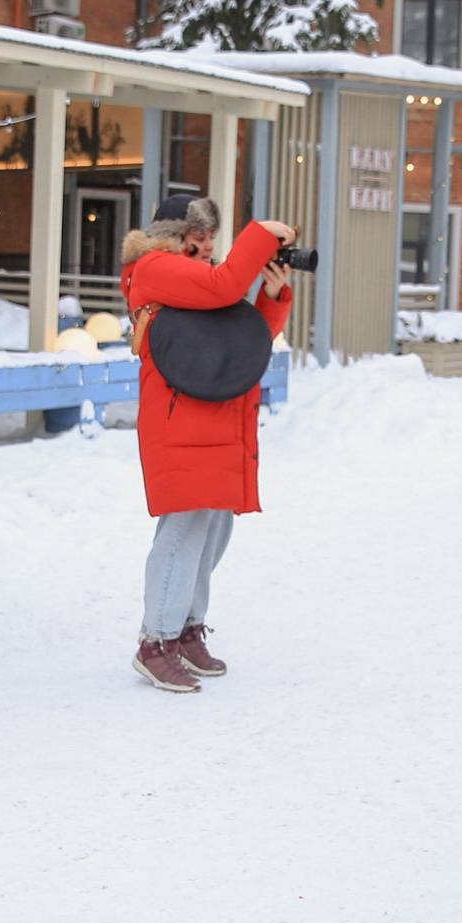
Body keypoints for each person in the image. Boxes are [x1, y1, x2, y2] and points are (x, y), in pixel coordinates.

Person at [118, 196, 295, 694]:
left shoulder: (200, 276)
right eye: (198, 236)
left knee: (213, 530)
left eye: (213, 237)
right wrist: (261, 235)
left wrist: (272, 297)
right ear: (172, 235)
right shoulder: (153, 267)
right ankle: (156, 641)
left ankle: (187, 628)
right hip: (180, 422)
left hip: (213, 416)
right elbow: (223, 287)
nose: (208, 245)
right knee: (183, 528)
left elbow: (240, 342)